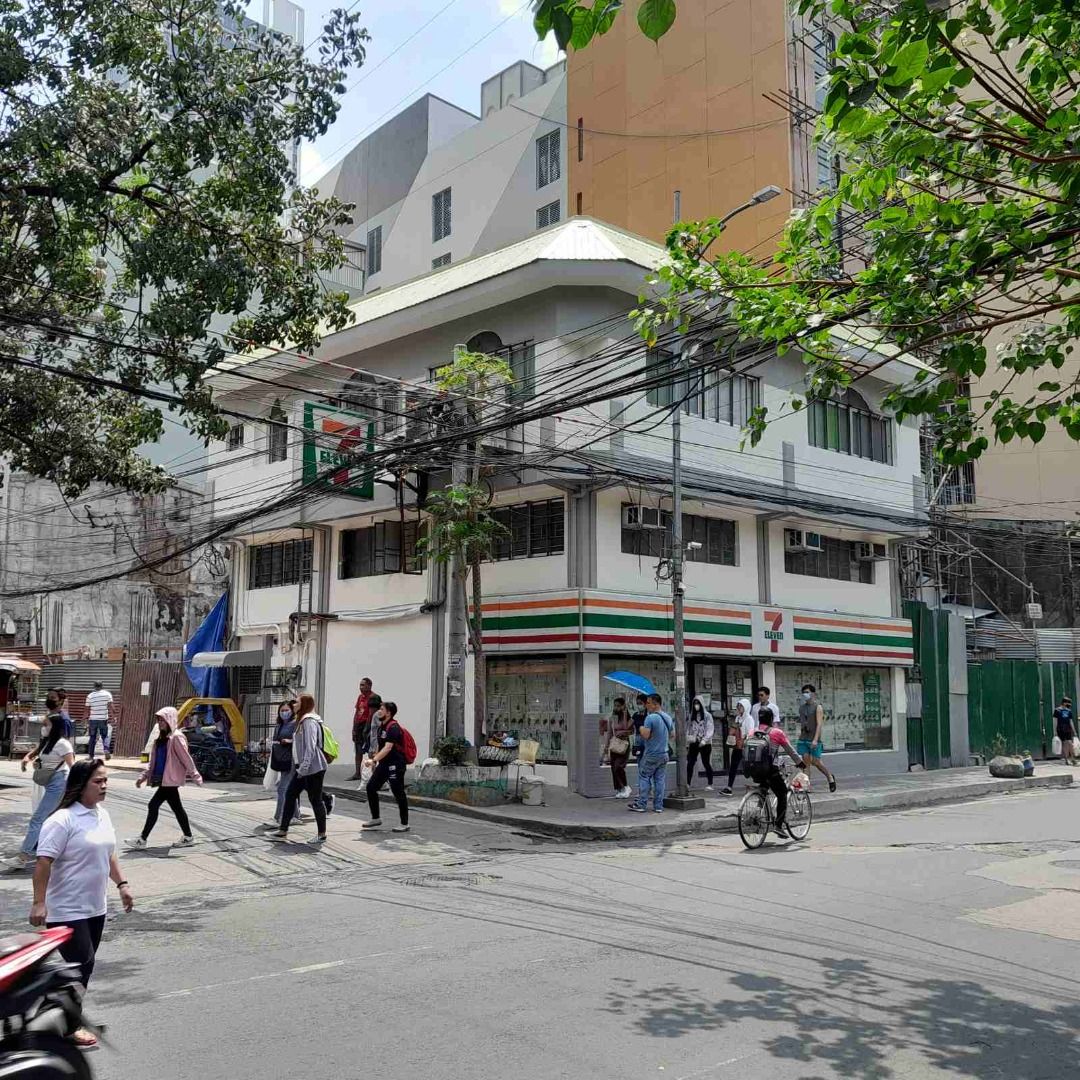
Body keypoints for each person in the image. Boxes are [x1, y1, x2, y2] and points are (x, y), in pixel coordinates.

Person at [31, 759, 134, 1050]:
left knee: (80, 970)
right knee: (81, 967)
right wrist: (39, 902)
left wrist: (122, 885)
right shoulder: (62, 820)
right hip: (66, 909)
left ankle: (47, 1019)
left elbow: (109, 854)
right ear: (80, 785)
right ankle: (67, 1027)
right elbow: (43, 862)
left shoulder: (102, 815)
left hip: (95, 908)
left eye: (105, 780)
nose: (104, 786)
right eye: (97, 781)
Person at [7, 707, 76, 869]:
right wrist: (28, 758)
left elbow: (72, 766)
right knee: (51, 819)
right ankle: (52, 850)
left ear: (55, 727)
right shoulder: (48, 741)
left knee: (37, 819)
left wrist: (76, 788)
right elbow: (39, 752)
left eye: (46, 725)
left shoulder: (63, 744)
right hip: (50, 782)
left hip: (58, 784)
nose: (43, 728)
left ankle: (23, 857)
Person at [126, 707, 202, 849]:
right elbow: (154, 762)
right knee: (177, 808)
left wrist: (195, 775)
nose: (160, 723)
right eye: (159, 720)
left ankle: (142, 839)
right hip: (163, 779)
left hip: (170, 780)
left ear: (170, 720)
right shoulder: (161, 738)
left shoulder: (176, 737)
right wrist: (144, 776)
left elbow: (186, 758)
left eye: (163, 720)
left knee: (153, 805)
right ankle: (188, 836)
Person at [269, 694, 329, 845]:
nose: (293, 705)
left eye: (296, 702)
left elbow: (310, 747)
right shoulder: (301, 721)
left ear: (304, 705)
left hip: (313, 768)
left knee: (315, 800)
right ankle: (283, 830)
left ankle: (321, 834)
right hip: (302, 768)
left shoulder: (309, 722)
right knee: (290, 794)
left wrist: (304, 768)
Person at [747, 710, 803, 834]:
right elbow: (790, 750)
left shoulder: (752, 732)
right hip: (770, 770)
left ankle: (757, 813)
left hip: (754, 770)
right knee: (782, 793)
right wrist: (800, 762)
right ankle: (778, 825)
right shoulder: (777, 732)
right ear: (771, 719)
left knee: (764, 788)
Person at [363, 701, 410, 832]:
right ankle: (376, 818)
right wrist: (376, 761)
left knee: (398, 792)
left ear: (388, 713)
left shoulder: (393, 727)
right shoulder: (382, 727)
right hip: (384, 764)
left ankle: (404, 823)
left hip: (395, 764)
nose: (379, 711)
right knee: (371, 787)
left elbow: (388, 748)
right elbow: (381, 746)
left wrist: (374, 760)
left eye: (382, 709)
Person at [628, 693, 674, 814]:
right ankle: (658, 806)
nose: (646, 705)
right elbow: (672, 735)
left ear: (655, 704)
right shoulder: (667, 717)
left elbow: (646, 735)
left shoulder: (650, 718)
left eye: (648, 703)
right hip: (664, 753)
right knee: (659, 780)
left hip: (651, 754)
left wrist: (641, 728)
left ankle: (641, 804)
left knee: (644, 776)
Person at [268, 699, 303, 827]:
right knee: (289, 789)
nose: (284, 713)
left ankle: (279, 818)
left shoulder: (295, 724)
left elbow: (300, 740)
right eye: (282, 710)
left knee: (282, 789)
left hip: (291, 760)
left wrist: (289, 741)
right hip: (281, 760)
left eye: (286, 710)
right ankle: (295, 816)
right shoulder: (279, 725)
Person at [797, 684, 837, 792]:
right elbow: (802, 722)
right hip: (803, 738)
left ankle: (829, 777)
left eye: (807, 692)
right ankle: (806, 786)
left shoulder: (817, 707)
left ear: (813, 694)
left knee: (816, 762)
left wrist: (815, 740)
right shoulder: (802, 708)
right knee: (806, 763)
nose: (805, 694)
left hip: (814, 739)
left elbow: (819, 724)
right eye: (803, 692)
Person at [719, 697, 755, 796]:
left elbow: (750, 732)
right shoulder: (738, 718)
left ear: (746, 707)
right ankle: (729, 787)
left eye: (741, 706)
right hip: (737, 746)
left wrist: (745, 740)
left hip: (745, 745)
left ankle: (756, 784)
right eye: (738, 706)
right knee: (733, 766)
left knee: (749, 766)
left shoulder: (749, 719)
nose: (739, 708)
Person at [605, 697, 634, 798]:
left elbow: (630, 730)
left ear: (623, 706)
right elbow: (610, 732)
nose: (616, 708)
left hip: (624, 744)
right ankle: (619, 789)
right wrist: (606, 747)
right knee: (613, 767)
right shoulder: (613, 718)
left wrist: (625, 713)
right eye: (615, 706)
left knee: (618, 766)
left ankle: (625, 786)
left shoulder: (628, 718)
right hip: (614, 743)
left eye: (618, 706)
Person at [686, 696, 715, 790]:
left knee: (706, 763)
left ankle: (710, 783)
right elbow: (688, 728)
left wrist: (704, 740)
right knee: (690, 763)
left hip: (705, 743)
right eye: (695, 703)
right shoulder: (691, 715)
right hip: (694, 741)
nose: (696, 705)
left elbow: (710, 729)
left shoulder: (707, 716)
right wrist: (688, 740)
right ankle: (688, 783)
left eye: (698, 703)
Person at [349, 677, 375, 780]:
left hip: (368, 726)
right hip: (359, 725)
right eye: (360, 685)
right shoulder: (360, 697)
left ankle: (373, 773)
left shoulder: (373, 698)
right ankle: (357, 773)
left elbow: (371, 715)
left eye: (363, 685)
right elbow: (357, 712)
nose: (361, 687)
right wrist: (354, 728)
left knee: (371, 751)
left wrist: (367, 728)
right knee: (358, 750)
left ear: (369, 686)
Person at [85, 680, 114, 760]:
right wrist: (113, 717)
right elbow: (111, 707)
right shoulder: (107, 694)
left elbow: (86, 709)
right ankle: (106, 749)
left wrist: (84, 719)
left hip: (93, 719)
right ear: (102, 686)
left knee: (92, 737)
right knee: (104, 736)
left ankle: (91, 756)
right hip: (103, 719)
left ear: (94, 686)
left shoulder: (90, 696)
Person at [1054, 695, 1077, 764]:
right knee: (1065, 744)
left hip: (1068, 729)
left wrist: (1074, 731)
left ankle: (1072, 758)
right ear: (1064, 703)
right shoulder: (1057, 710)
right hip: (1060, 729)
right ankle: (1067, 759)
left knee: (1069, 743)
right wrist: (1055, 730)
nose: (1069, 704)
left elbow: (1071, 721)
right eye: (1068, 703)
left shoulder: (1069, 711)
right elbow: (1055, 721)